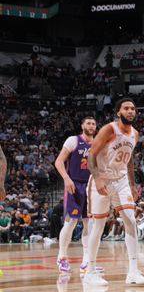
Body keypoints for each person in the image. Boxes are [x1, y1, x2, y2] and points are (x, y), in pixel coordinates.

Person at [84, 98, 144, 286]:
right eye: (126, 108)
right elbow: (91, 156)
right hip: (102, 180)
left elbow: (129, 160)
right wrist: (97, 179)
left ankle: (133, 272)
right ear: (118, 112)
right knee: (98, 225)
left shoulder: (135, 134)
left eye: (133, 108)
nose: (130, 111)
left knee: (130, 220)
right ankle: (90, 271)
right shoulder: (109, 129)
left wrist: (132, 183)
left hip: (121, 181)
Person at [54, 116, 103, 277]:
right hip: (74, 184)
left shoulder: (98, 143)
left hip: (90, 185)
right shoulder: (73, 140)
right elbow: (59, 161)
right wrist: (66, 179)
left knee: (89, 224)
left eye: (93, 123)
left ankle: (87, 261)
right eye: (88, 123)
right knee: (71, 222)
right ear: (82, 125)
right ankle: (62, 257)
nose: (91, 125)